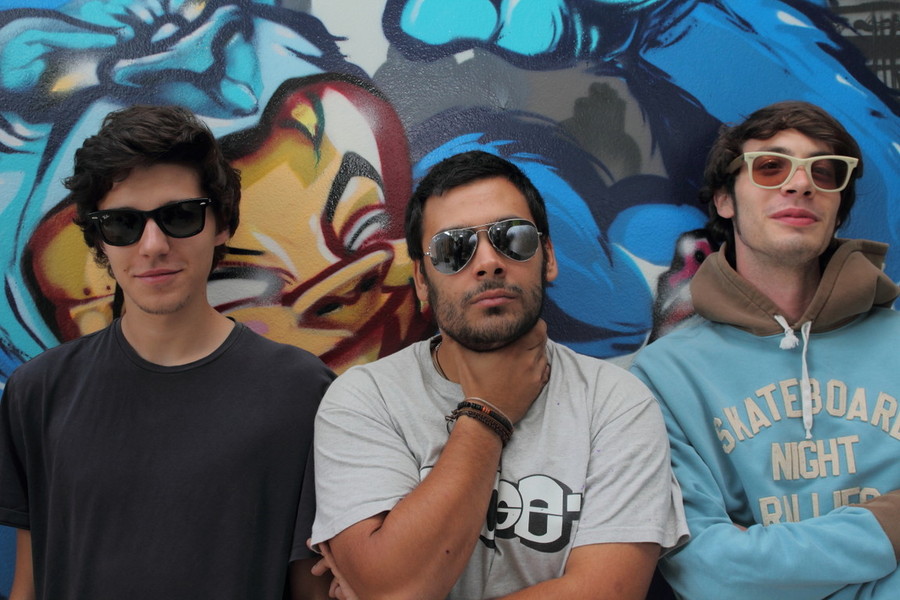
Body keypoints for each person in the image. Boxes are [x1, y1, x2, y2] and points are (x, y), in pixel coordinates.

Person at [311, 150, 688, 599]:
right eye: (453, 248)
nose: (488, 262)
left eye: (513, 237)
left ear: (548, 257)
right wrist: (487, 413)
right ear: (421, 279)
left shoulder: (616, 404)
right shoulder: (365, 400)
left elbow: (608, 592)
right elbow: (391, 588)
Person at [0, 105, 334, 600]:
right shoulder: (39, 392)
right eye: (122, 224)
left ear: (222, 224)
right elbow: (29, 583)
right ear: (99, 240)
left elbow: (312, 589)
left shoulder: (302, 392)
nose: (152, 245)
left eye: (180, 216)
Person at [631, 101, 900, 599]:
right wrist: (891, 526)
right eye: (771, 166)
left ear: (838, 208)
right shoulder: (662, 376)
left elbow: (740, 567)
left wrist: (763, 557)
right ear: (725, 200)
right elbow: (712, 574)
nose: (800, 184)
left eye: (824, 171)